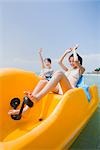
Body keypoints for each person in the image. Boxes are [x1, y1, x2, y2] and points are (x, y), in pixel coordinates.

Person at [8, 45, 85, 115]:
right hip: (59, 89)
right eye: (70, 61)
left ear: (79, 62)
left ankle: (37, 98)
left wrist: (74, 50)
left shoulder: (80, 70)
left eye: (72, 61)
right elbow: (59, 62)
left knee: (59, 73)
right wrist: (66, 52)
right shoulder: (68, 70)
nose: (71, 63)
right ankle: (25, 110)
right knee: (43, 82)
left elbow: (76, 61)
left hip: (68, 90)